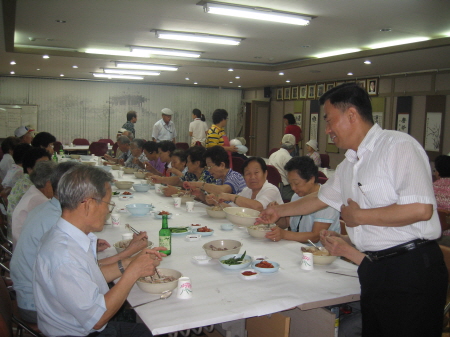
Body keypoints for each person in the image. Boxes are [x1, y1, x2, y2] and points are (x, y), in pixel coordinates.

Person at [257, 83, 447, 337]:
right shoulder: (349, 164)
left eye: (329, 120)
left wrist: (360, 217)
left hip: (409, 268)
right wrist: (280, 211)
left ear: (352, 115)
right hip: (373, 266)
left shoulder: (398, 146)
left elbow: (421, 209)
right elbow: (319, 199)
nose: (327, 130)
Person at [11, 161, 150, 325]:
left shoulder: (65, 230)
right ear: (89, 204)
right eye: (108, 204)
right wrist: (132, 272)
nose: (108, 211)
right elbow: (97, 319)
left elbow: (87, 272)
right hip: (77, 326)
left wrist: (129, 261)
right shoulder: (63, 253)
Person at [265, 156, 340, 245]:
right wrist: (276, 214)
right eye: (291, 184)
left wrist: (284, 234)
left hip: (321, 253)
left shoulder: (326, 200)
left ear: (311, 179)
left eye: (296, 183)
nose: (293, 188)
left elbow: (316, 236)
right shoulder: (297, 195)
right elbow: (287, 223)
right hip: (297, 247)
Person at [7, 147, 50, 239]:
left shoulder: (25, 180)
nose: (46, 169)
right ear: (29, 169)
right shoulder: (29, 187)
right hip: (21, 237)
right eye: (41, 166)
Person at [210, 157, 283, 211]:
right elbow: (231, 208)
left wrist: (230, 196)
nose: (252, 177)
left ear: (265, 173)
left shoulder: (271, 189)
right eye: (248, 173)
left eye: (256, 172)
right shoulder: (246, 190)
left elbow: (258, 207)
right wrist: (215, 201)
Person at [11, 160, 55, 247]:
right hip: (28, 251)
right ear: (48, 183)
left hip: (22, 247)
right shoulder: (39, 200)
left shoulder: (33, 191)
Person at [268, 134, 296, 201]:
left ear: (281, 143)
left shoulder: (272, 155)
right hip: (284, 191)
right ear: (294, 146)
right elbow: (292, 179)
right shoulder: (289, 159)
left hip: (271, 189)